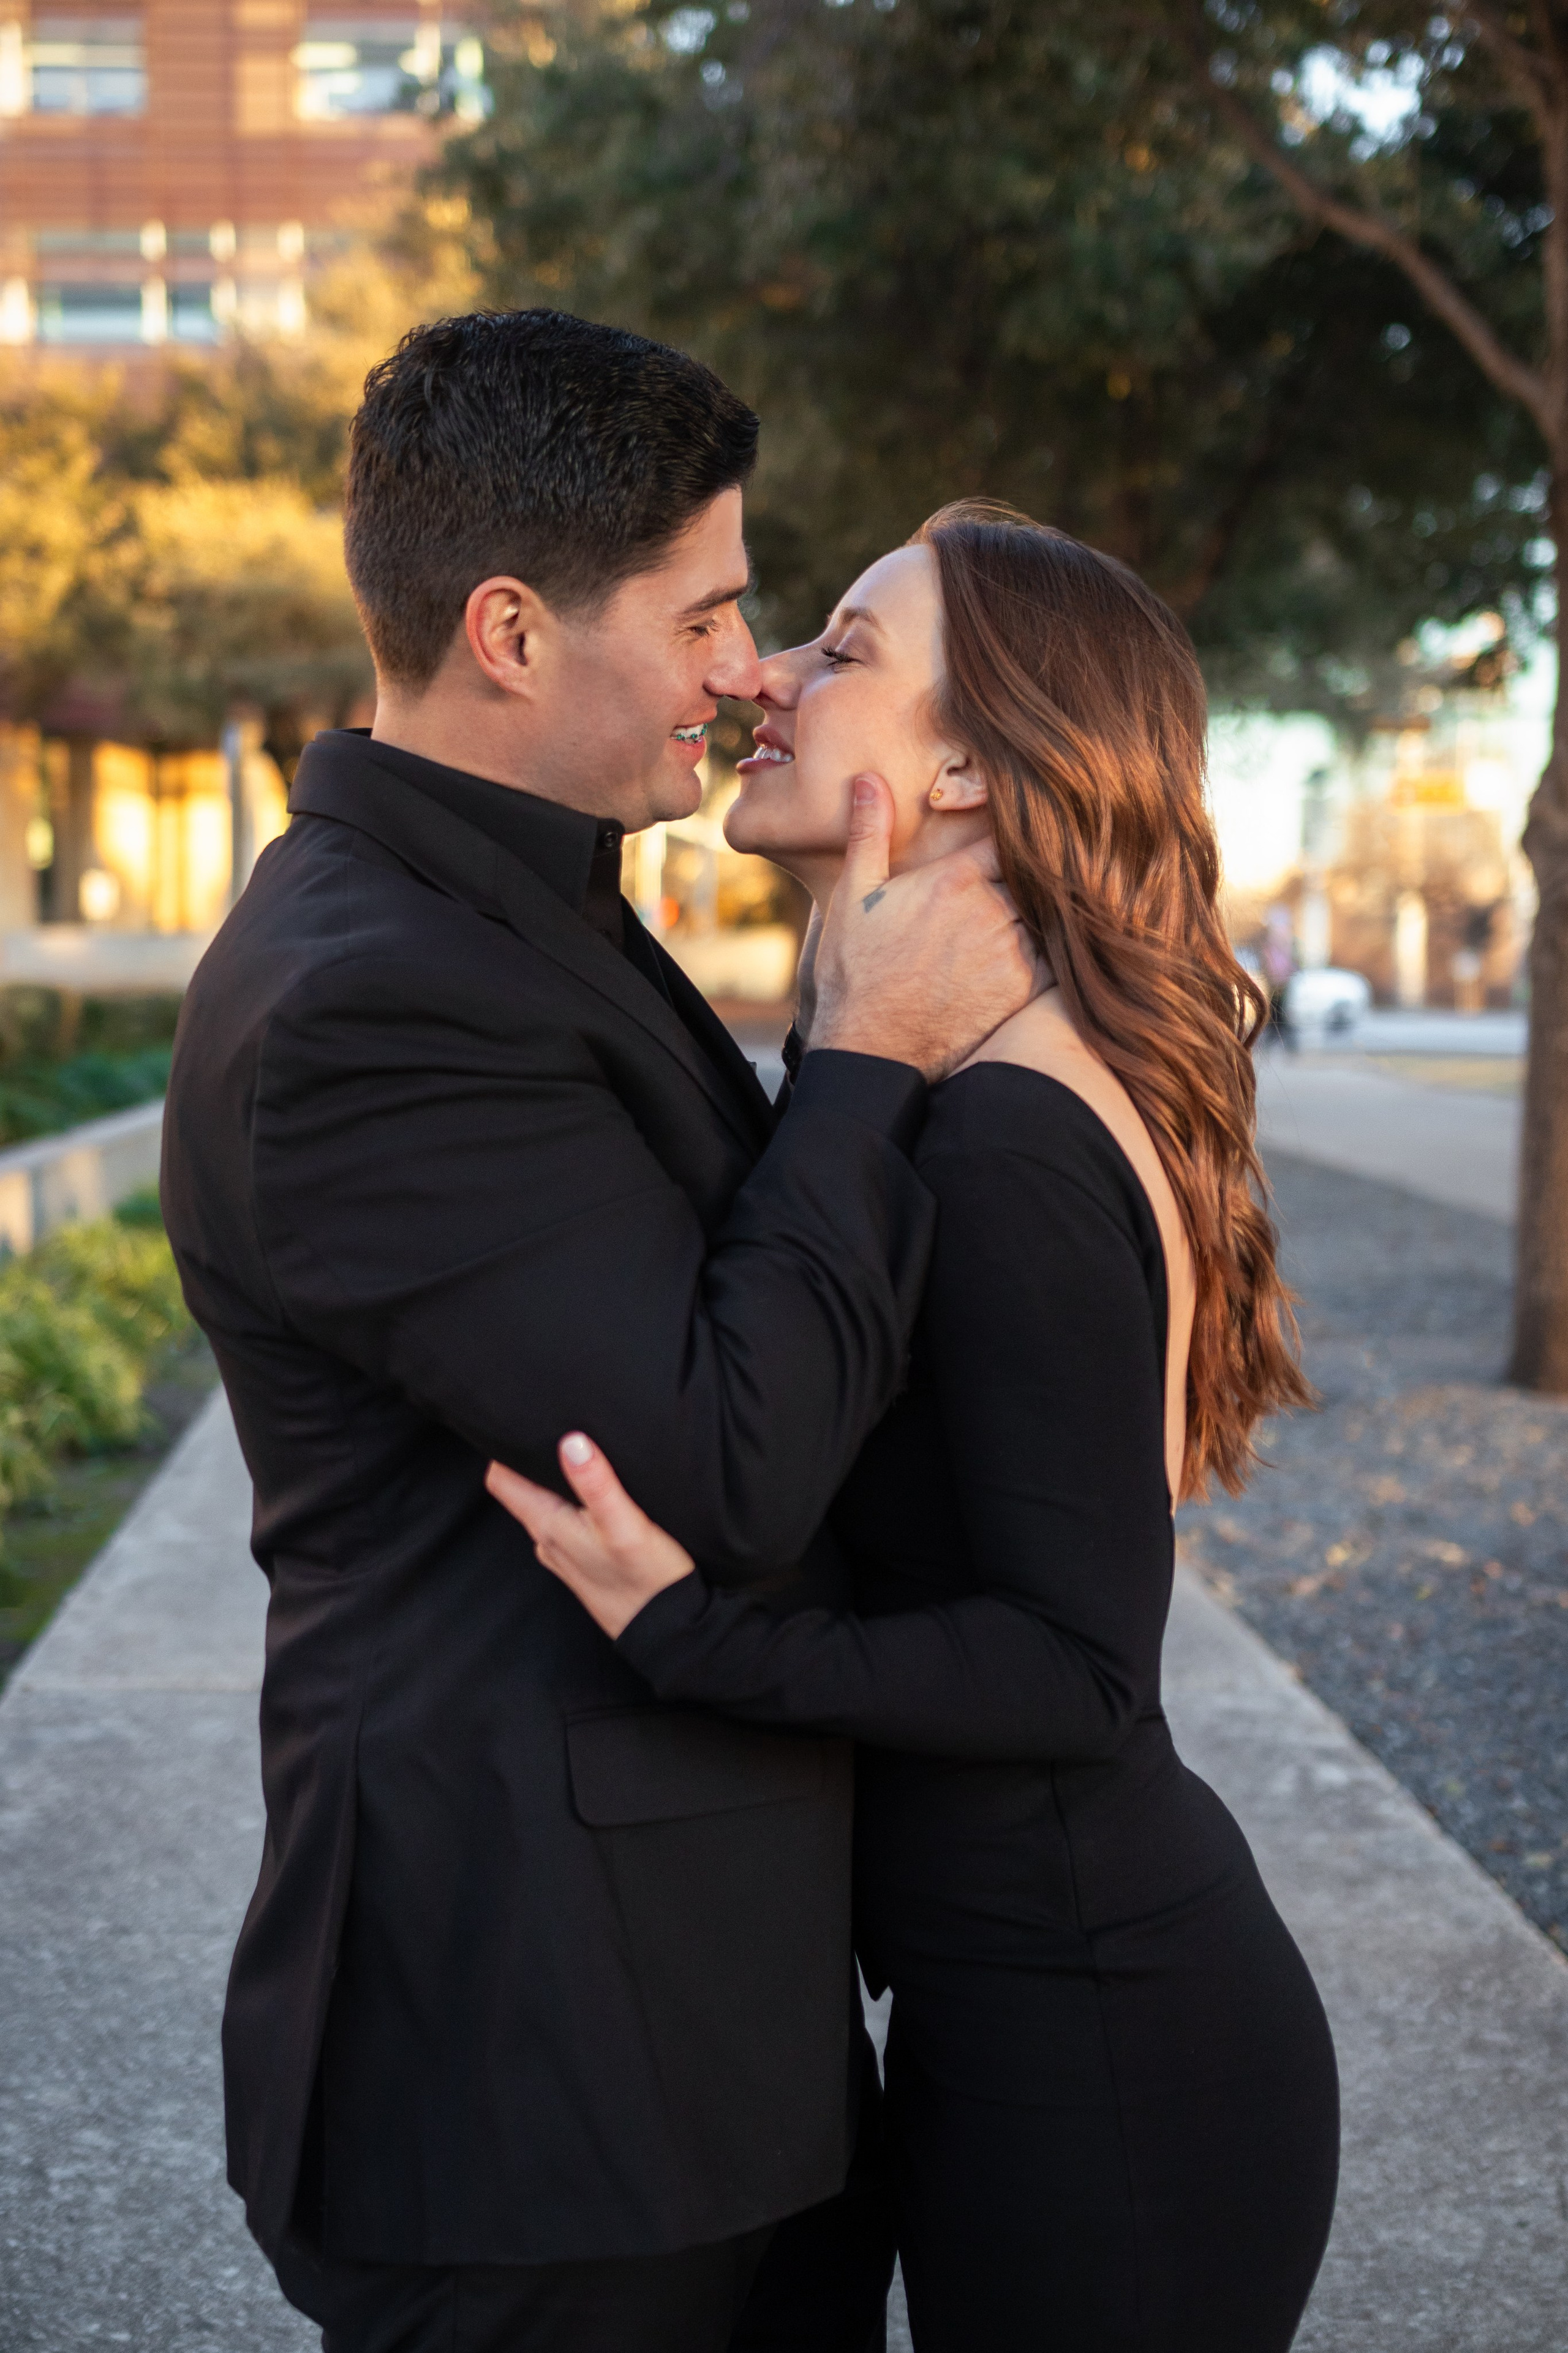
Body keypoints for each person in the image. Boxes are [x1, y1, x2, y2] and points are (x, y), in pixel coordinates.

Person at [159, 317, 1038, 2353]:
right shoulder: (374, 999)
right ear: (510, 633)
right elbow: (717, 1469)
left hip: (687, 2032)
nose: (753, 670)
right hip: (532, 2085)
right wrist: (872, 1048)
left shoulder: (517, 910)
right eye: (713, 610)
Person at [487, 501, 1343, 2352]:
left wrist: (691, 1636)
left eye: (845, 649)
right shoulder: (983, 1082)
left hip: (1105, 2047)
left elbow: (1076, 1663)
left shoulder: (1011, 1136)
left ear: (967, 759)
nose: (772, 674)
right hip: (1028, 2013)